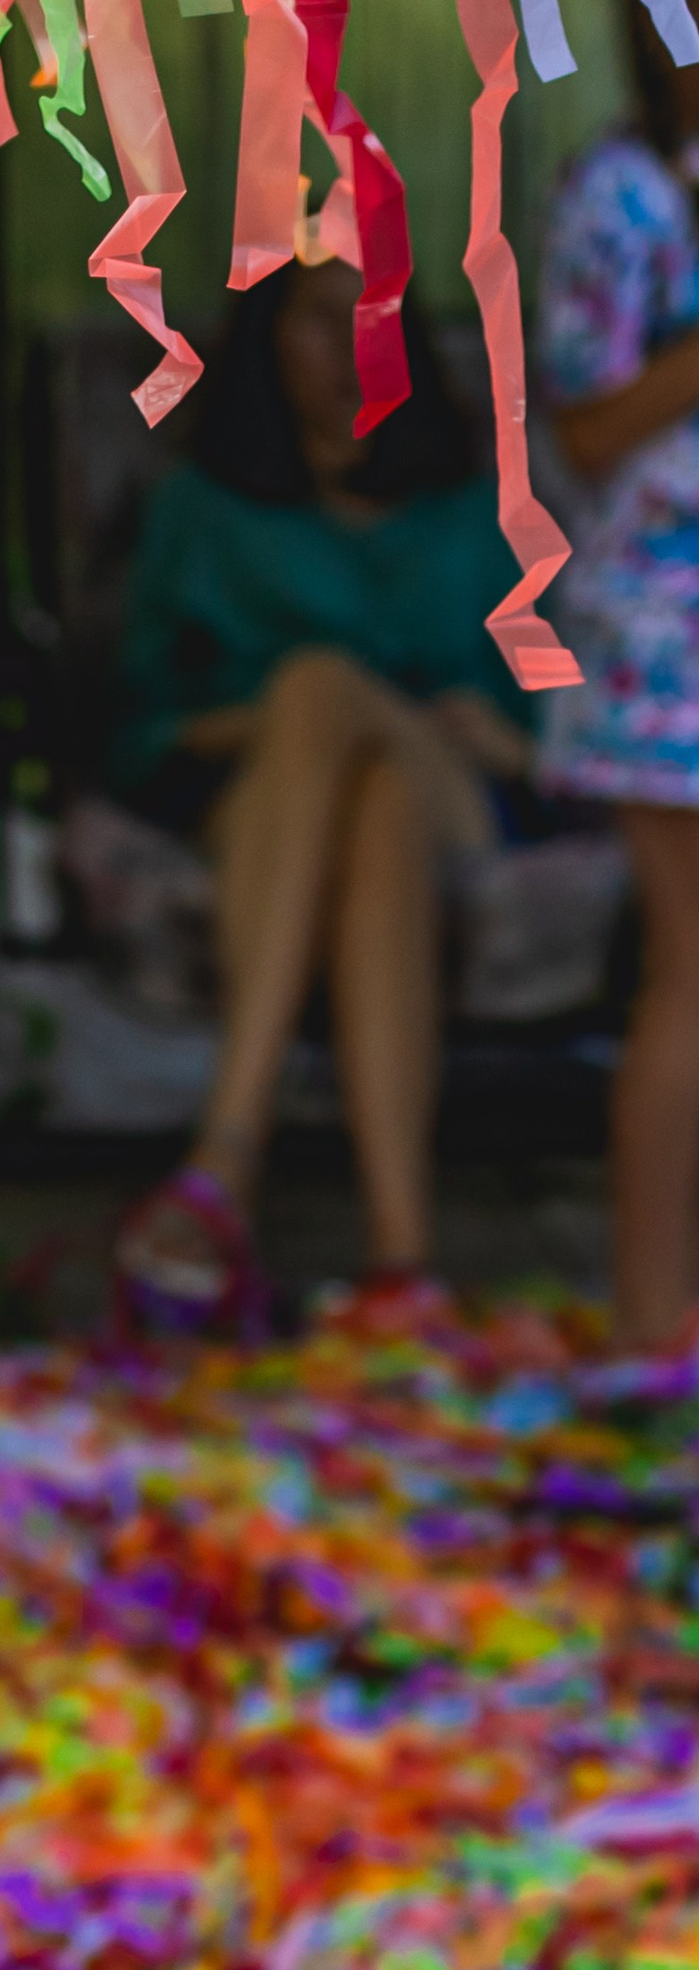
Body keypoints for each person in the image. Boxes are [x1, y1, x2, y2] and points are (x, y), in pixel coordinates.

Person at [106, 256, 538, 1336]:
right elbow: (138, 733)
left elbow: (546, 736)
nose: (347, 343)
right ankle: (402, 1260)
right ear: (266, 337)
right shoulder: (200, 515)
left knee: (336, 705)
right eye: (316, 318)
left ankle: (224, 1154)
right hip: (265, 795)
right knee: (362, 787)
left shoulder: (471, 513)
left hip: (457, 788)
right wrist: (294, 723)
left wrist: (494, 738)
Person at [538, 4, 699, 1354]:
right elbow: (585, 427)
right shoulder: (625, 193)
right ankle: (652, 1334)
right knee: (691, 980)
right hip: (666, 642)